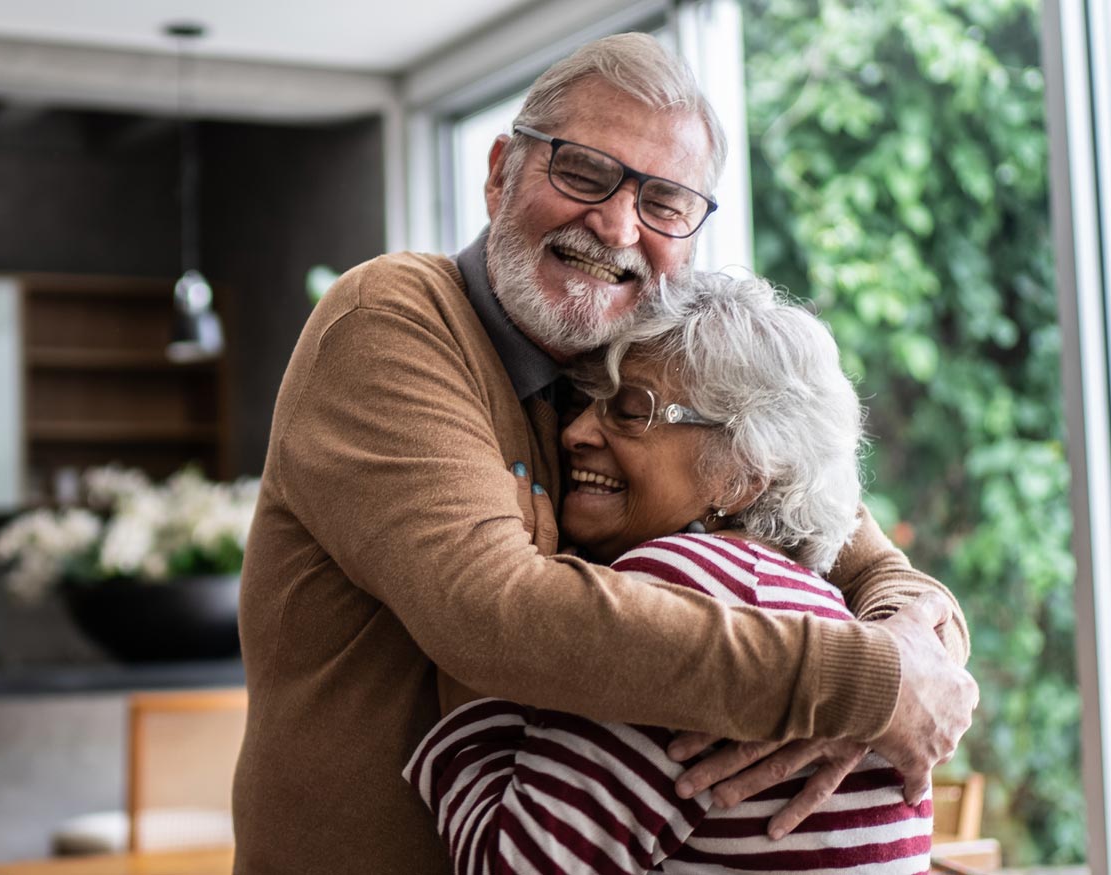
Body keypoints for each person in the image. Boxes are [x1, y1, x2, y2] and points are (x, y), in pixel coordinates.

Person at [233, 32, 977, 875]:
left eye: (664, 202)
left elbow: (846, 536)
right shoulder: (392, 318)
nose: (617, 223)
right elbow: (493, 613)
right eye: (584, 172)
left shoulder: (654, 363)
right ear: (499, 171)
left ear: (690, 237)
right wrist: (863, 685)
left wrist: (922, 647)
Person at [405, 269, 934, 875]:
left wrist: (470, 674)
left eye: (630, 412)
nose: (575, 433)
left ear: (742, 473)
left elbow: (516, 864)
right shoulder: (806, 598)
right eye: (585, 404)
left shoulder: (685, 579)